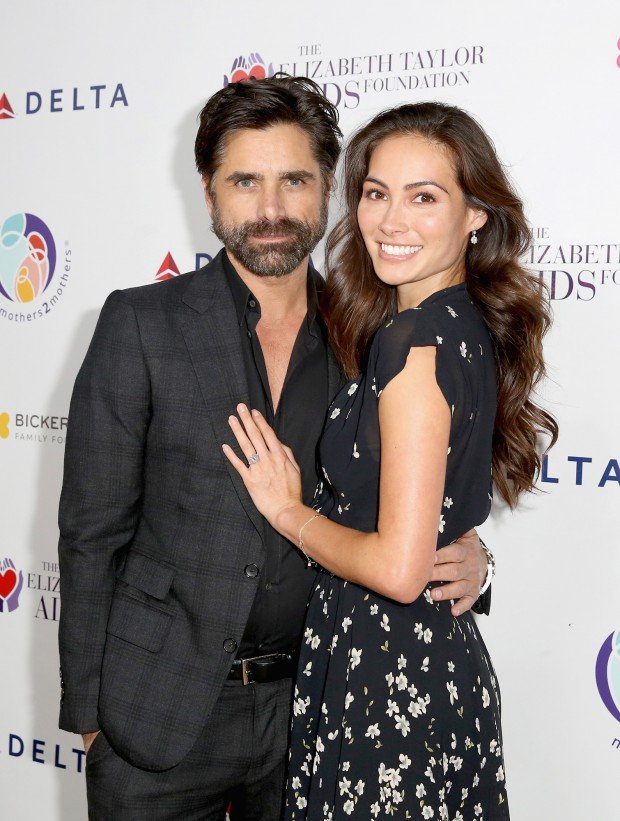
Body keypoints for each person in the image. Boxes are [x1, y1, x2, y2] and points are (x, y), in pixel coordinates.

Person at [58, 78, 493, 820]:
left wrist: (473, 557)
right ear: (208, 192)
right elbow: (91, 532)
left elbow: (404, 494)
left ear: (327, 190)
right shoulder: (141, 323)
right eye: (244, 182)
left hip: (319, 706)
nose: (270, 209)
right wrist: (91, 715)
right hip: (158, 714)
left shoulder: (371, 333)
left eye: (294, 180)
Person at [223, 101, 558, 819]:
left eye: (423, 197)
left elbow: (400, 571)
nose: (391, 221)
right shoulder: (458, 325)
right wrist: (467, 553)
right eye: (377, 193)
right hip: (415, 665)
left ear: (476, 214)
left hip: (386, 680)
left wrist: (287, 511)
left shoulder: (414, 341)